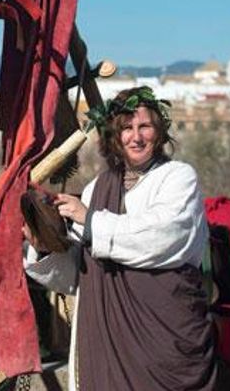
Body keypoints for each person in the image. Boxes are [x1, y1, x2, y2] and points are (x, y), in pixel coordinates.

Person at [23, 86, 218, 390]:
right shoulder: (97, 188)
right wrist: (45, 246)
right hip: (105, 339)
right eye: (127, 128)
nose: (136, 137)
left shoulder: (178, 178)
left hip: (164, 339)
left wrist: (89, 220)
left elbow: (163, 236)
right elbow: (78, 276)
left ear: (160, 131)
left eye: (145, 126)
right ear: (115, 135)